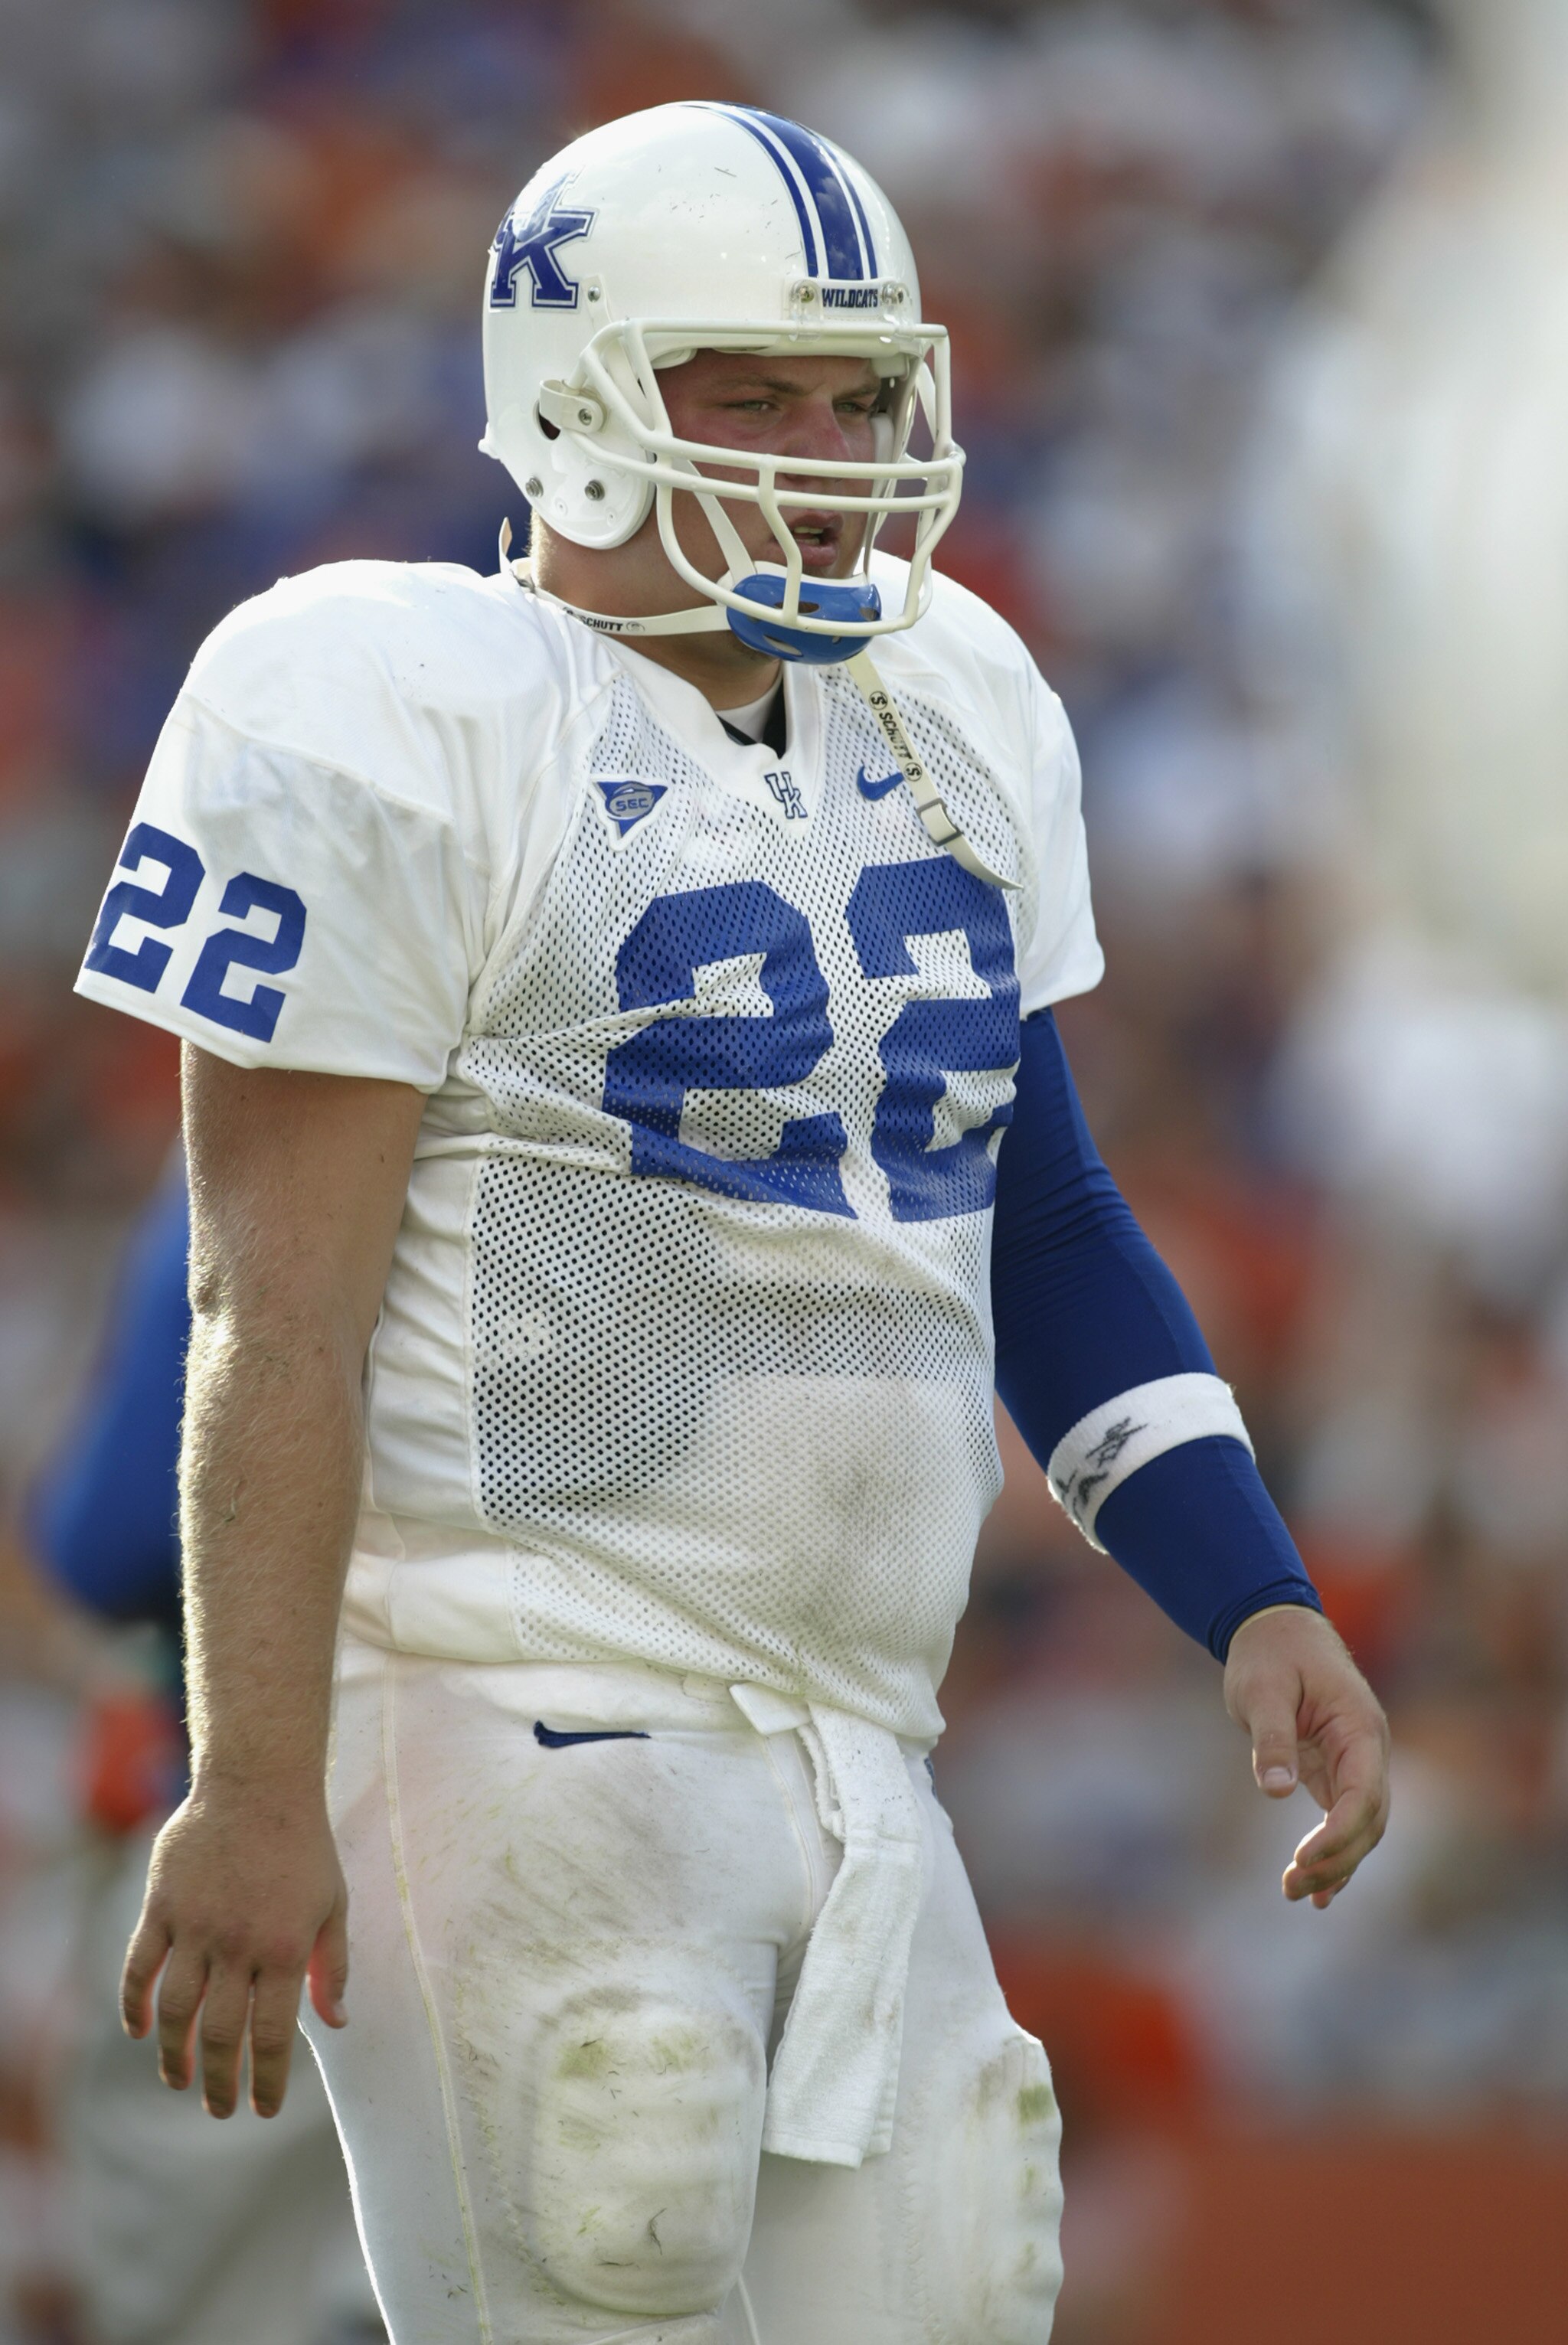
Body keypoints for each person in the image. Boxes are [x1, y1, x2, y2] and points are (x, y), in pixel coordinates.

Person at [73, 103, 1389, 2345]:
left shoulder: (954, 703)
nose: (820, 450)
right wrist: (256, 1779)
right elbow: (262, 1317)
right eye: (749, 394)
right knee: (613, 2205)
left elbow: (1037, 1212)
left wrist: (1250, 1589)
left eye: (856, 397)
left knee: (970, 2267)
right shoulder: (384, 701)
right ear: (574, 400)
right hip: (512, 1696)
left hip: (857, 1744)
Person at [25, 1163, 384, 2345]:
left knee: (217, 2311)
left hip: (255, 1879)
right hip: (546, 1837)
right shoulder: (603, 1188)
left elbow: (106, 1537)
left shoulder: (230, 1186)